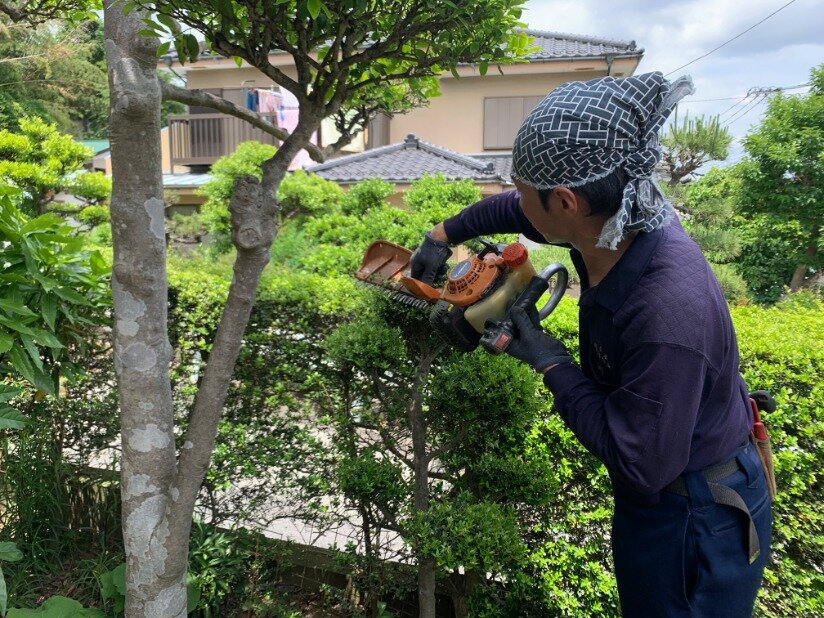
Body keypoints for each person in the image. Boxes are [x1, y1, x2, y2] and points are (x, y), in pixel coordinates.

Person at [410, 72, 772, 617]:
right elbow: (520, 209)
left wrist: (550, 361)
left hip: (694, 514)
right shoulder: (621, 214)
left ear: (566, 202)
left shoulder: (665, 312)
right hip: (669, 484)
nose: (516, 199)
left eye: (525, 187)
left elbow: (641, 462)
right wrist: (442, 234)